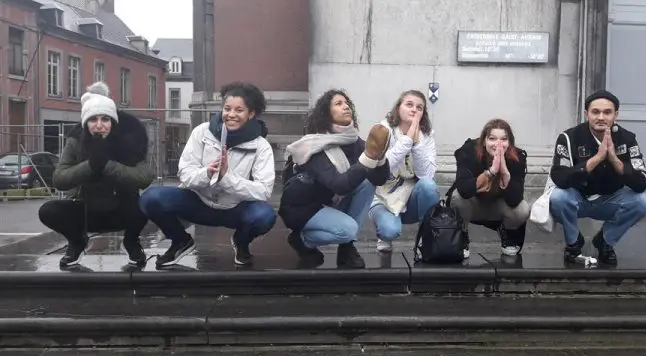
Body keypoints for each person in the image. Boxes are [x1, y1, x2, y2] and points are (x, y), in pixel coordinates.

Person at [139, 82, 276, 267]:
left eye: (239, 110)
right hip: (198, 201)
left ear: (251, 114)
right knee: (150, 198)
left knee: (264, 216)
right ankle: (180, 240)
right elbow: (185, 173)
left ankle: (241, 242)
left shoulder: (260, 146)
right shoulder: (202, 132)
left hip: (234, 207)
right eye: (227, 108)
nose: (231, 115)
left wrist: (226, 179)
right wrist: (208, 173)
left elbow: (263, 191)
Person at [38, 82, 153, 268]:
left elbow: (145, 177)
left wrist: (107, 165)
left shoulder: (127, 141)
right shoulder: (76, 141)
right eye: (93, 120)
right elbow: (59, 178)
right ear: (86, 123)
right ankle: (77, 241)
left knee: (149, 203)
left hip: (121, 208)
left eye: (105, 119)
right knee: (48, 211)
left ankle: (131, 241)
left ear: (112, 122)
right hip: (86, 210)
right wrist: (90, 166)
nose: (99, 126)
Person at [278, 89, 391, 269]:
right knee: (348, 229)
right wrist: (369, 157)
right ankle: (302, 239)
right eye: (338, 104)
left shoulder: (354, 142)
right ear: (326, 113)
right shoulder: (314, 146)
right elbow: (339, 185)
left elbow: (379, 180)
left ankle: (347, 248)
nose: (346, 106)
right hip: (303, 208)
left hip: (328, 202)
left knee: (367, 184)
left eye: (347, 103)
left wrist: (381, 156)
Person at [549, 89, 646, 265]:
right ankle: (573, 243)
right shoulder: (568, 137)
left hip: (610, 199)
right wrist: (597, 159)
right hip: (578, 198)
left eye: (607, 112)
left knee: (644, 202)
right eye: (595, 112)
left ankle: (605, 241)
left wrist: (614, 159)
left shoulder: (627, 139)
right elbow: (559, 178)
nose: (601, 117)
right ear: (586, 114)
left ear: (616, 115)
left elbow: (641, 182)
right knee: (558, 198)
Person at [369, 90, 440, 252]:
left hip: (411, 197)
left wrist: (417, 143)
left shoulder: (427, 136)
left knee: (428, 186)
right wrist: (407, 140)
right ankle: (384, 233)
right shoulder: (383, 130)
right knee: (389, 231)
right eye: (409, 105)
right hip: (384, 197)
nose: (414, 110)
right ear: (398, 108)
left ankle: (425, 239)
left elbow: (427, 175)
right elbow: (384, 169)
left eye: (419, 107)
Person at [451, 119, 530, 258]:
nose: (498, 144)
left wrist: (504, 171)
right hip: (473, 203)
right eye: (492, 139)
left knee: (522, 209)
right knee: (457, 197)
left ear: (510, 142)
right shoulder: (469, 151)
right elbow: (463, 188)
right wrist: (491, 172)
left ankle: (508, 232)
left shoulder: (517, 157)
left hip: (499, 206)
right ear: (484, 141)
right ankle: (461, 234)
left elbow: (515, 198)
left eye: (503, 139)